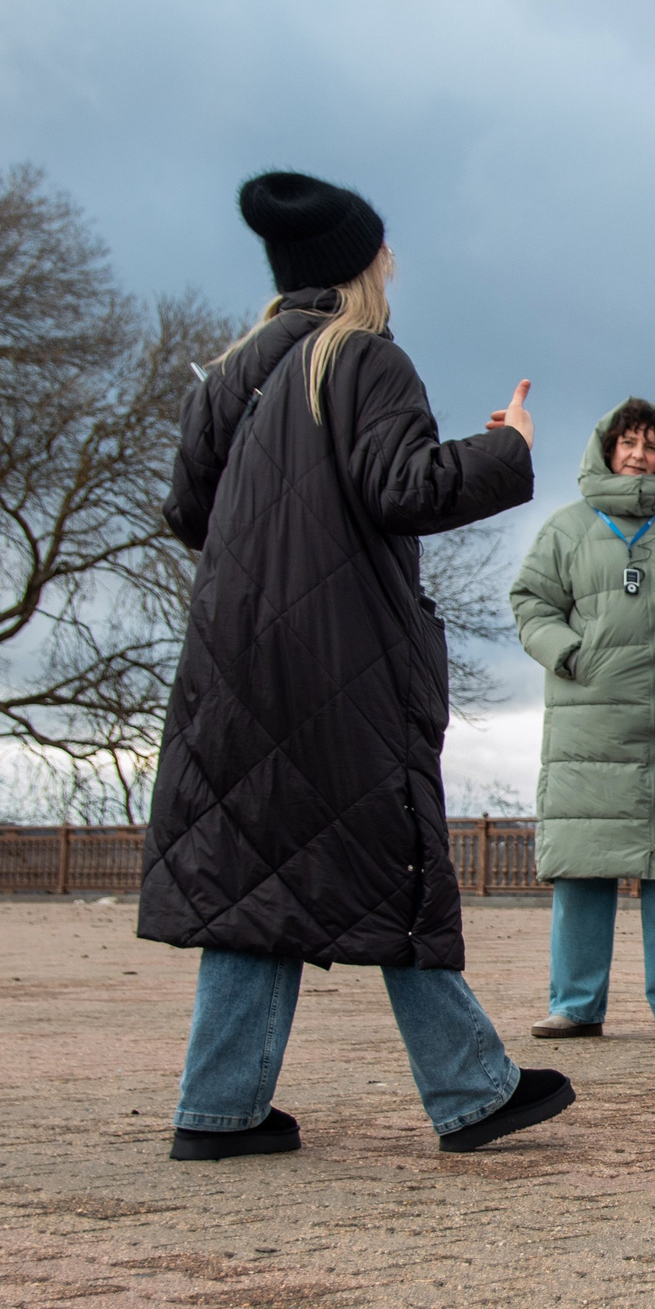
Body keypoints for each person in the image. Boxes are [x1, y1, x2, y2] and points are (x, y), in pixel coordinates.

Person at [140, 171, 572, 1160]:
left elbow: (187, 515)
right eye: (385, 252)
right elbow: (404, 485)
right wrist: (504, 449)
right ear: (360, 267)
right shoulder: (364, 360)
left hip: (234, 656)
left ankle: (219, 1107)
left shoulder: (228, 374)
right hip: (341, 654)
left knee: (260, 868)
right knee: (394, 857)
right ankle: (472, 1090)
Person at [511, 399, 655, 1044]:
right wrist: (565, 652)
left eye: (653, 447)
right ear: (606, 448)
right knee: (585, 862)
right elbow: (530, 600)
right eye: (629, 444)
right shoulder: (566, 527)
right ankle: (575, 1004)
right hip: (588, 717)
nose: (639, 456)